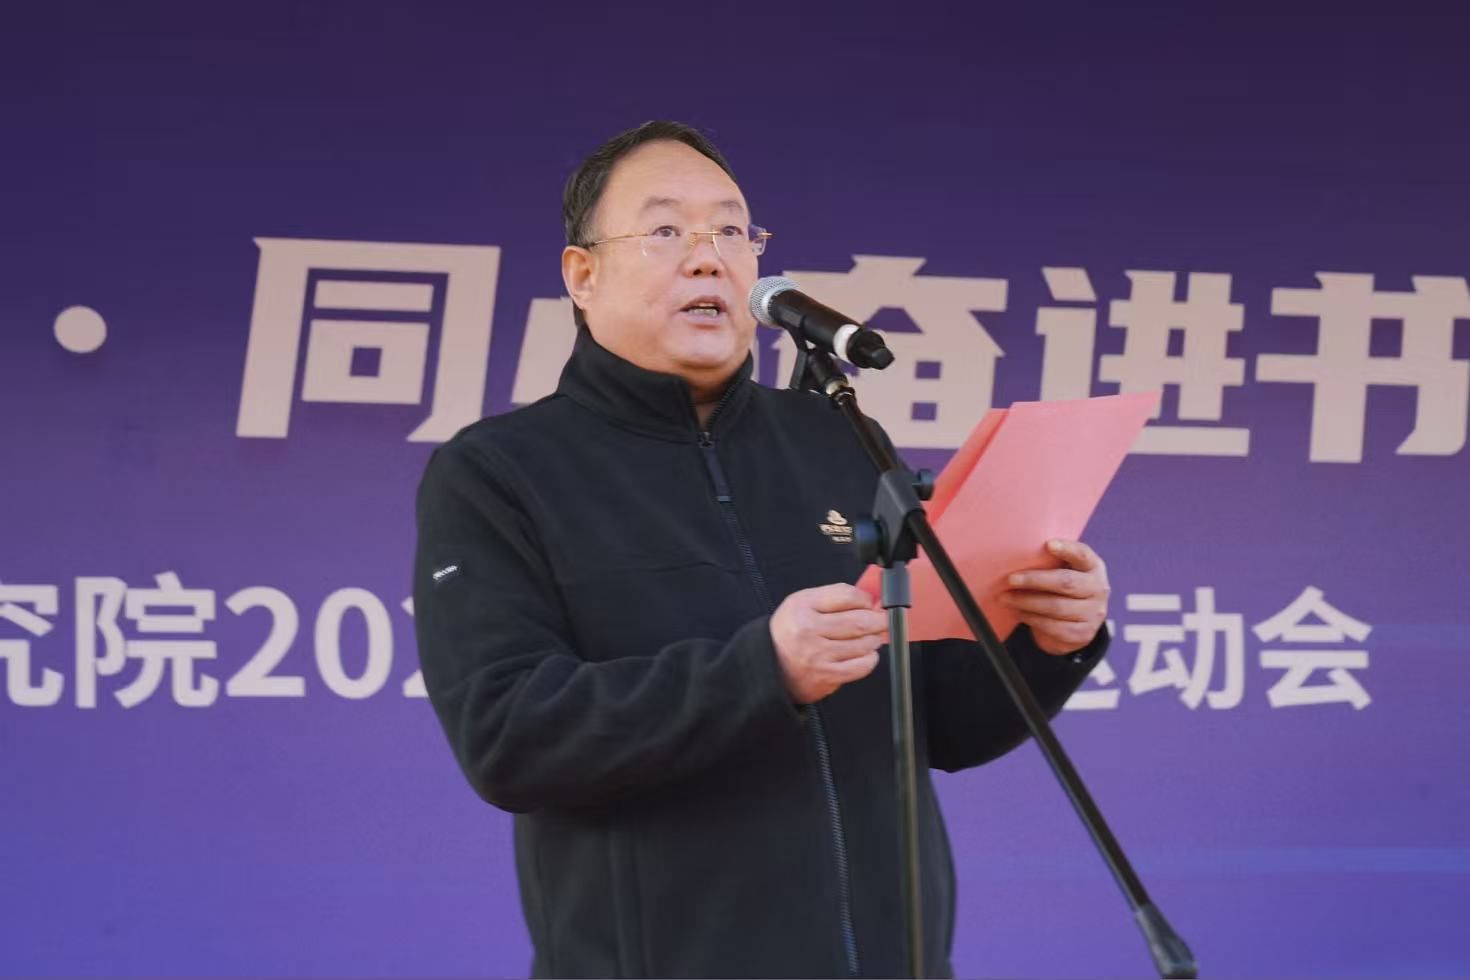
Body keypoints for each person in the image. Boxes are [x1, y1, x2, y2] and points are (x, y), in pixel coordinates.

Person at [413, 121, 1111, 979]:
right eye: (666, 230)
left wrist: (1047, 639)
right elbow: (509, 736)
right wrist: (763, 671)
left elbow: (940, 724)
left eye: (731, 231)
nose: (707, 259)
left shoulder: (841, 440)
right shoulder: (500, 472)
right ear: (582, 275)